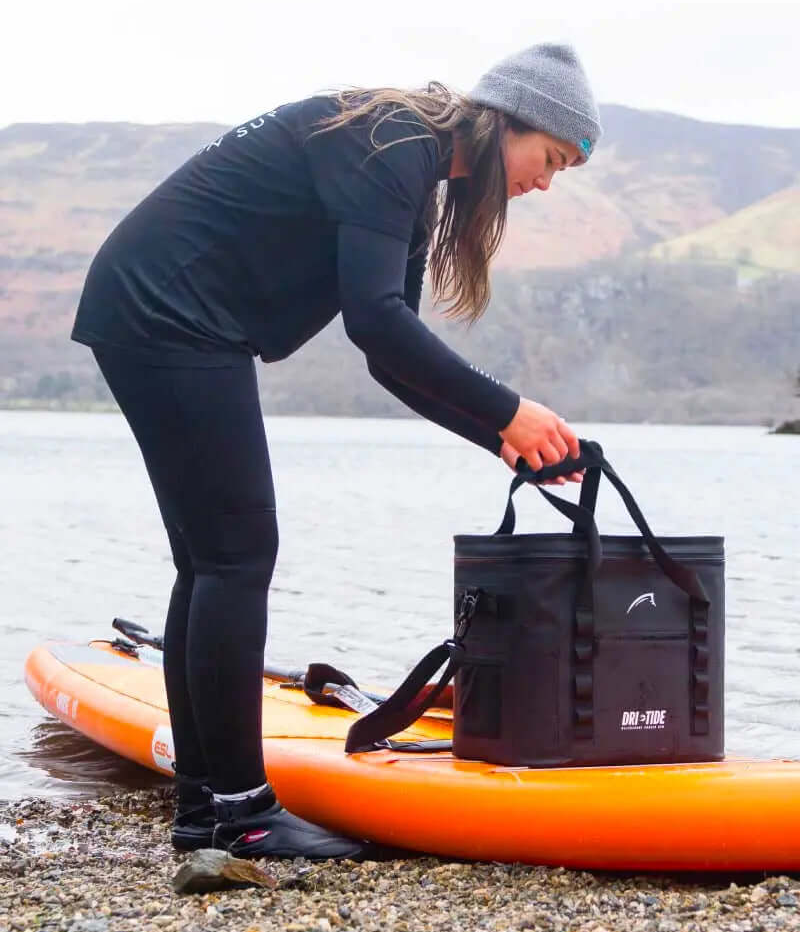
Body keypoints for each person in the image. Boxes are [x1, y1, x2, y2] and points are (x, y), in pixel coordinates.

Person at [70, 42, 602, 860]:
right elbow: (375, 322)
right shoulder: (393, 143)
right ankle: (243, 813)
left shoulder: (416, 165)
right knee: (235, 557)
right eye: (551, 158)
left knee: (213, 562)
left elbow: (389, 354)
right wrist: (509, 410)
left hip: (163, 310)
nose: (545, 182)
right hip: (168, 311)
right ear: (509, 122)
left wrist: (499, 435)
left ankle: (207, 809)